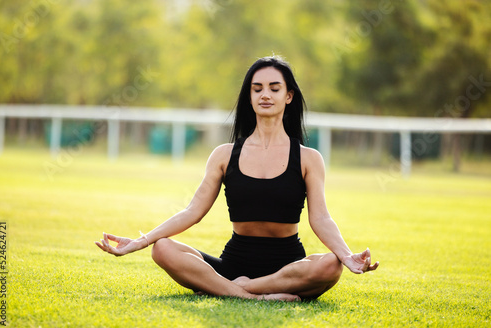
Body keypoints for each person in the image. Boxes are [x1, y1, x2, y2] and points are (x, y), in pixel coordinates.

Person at [95, 56, 379, 302]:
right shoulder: (224, 154)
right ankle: (249, 294)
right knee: (163, 249)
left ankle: (234, 289)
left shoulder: (308, 158)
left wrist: (346, 254)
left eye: (274, 88)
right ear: (249, 96)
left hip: (288, 267)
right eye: (257, 89)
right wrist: (139, 242)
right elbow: (193, 211)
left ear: (288, 96)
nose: (265, 94)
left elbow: (321, 219)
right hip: (234, 262)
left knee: (331, 265)